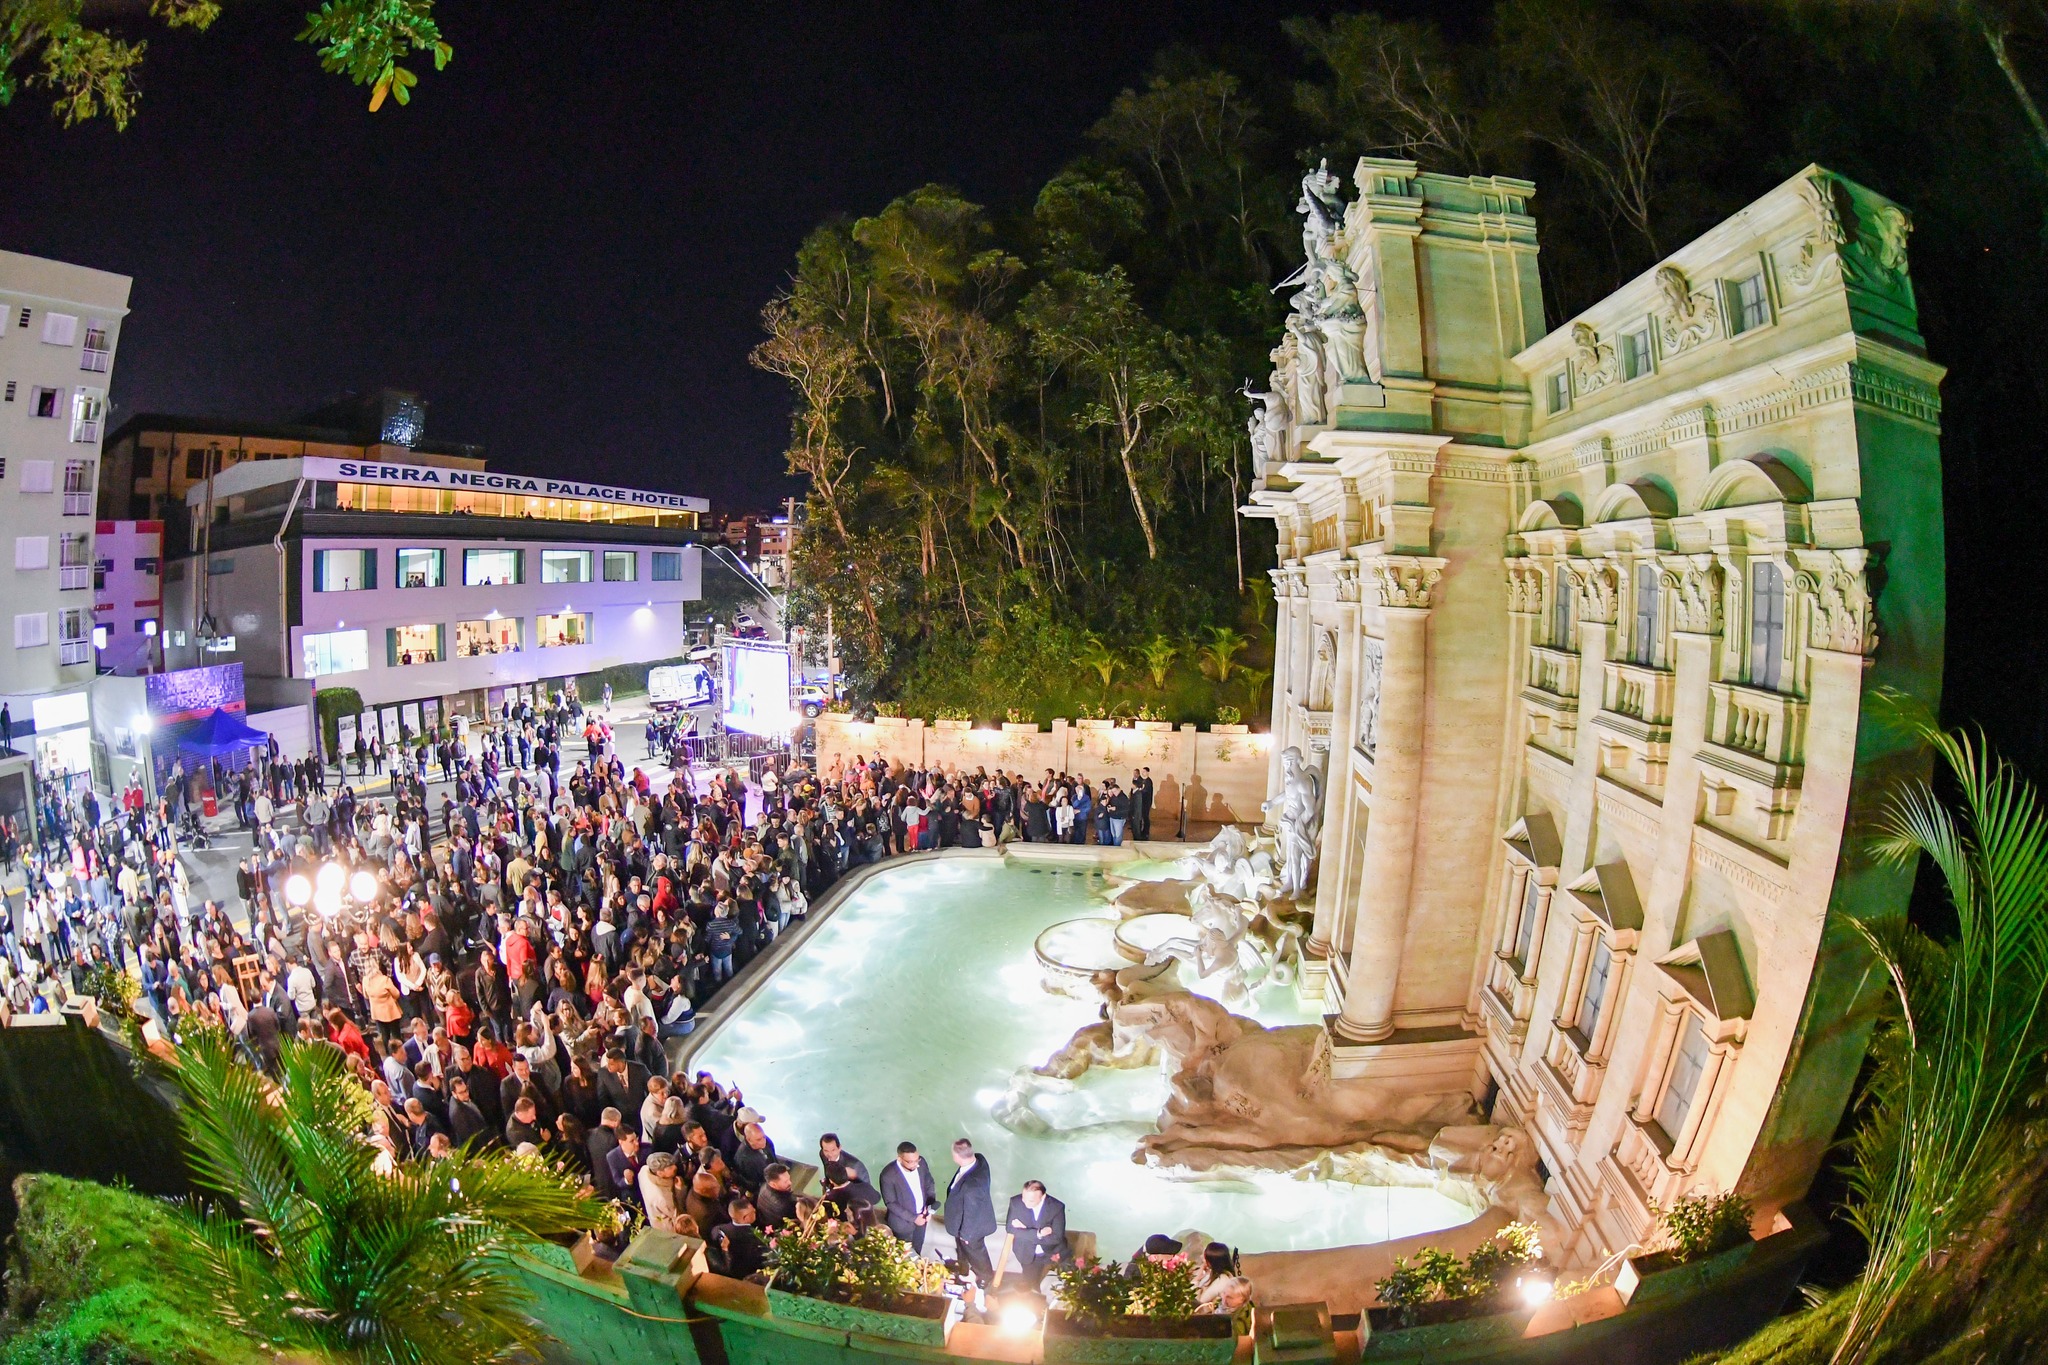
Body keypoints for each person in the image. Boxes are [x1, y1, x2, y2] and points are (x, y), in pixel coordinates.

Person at [944, 1138, 997, 1285]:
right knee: (963, 1251)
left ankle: (985, 1277)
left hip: (972, 1228)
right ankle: (965, 1271)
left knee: (976, 1252)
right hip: (967, 1221)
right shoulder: (980, 1160)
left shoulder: (971, 1187)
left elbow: (971, 1212)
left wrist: (966, 1235)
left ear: (957, 1157)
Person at [1005, 1179, 1070, 1288]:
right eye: (1023, 1198)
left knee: (1064, 1284)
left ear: (1043, 1197)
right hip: (1026, 1252)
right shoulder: (1015, 1202)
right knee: (1031, 1287)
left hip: (1052, 1251)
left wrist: (1024, 1230)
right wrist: (1038, 1234)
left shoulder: (1056, 1207)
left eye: (1030, 1201)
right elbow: (1010, 1229)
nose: (1025, 1203)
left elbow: (1056, 1238)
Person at [880, 1141, 938, 1254]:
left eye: (917, 1160)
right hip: (902, 1224)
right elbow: (890, 1203)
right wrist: (914, 1218)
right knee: (903, 1254)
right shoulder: (888, 1175)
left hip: (923, 1218)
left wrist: (929, 1206)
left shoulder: (922, 1163)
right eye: (911, 1162)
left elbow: (929, 1183)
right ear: (899, 1159)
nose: (915, 1165)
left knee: (918, 1248)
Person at [709, 1196, 768, 1278]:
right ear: (745, 1218)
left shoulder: (718, 1229)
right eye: (752, 1211)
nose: (755, 1210)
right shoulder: (755, 1239)